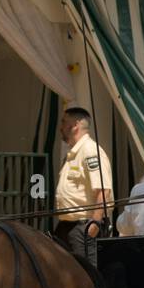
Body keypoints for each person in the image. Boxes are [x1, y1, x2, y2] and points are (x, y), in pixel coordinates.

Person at [52, 107, 113, 263]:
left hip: (83, 226)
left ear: (75, 125)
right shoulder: (74, 153)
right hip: (67, 226)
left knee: (87, 277)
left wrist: (94, 224)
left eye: (64, 122)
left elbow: (103, 190)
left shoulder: (90, 151)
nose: (60, 127)